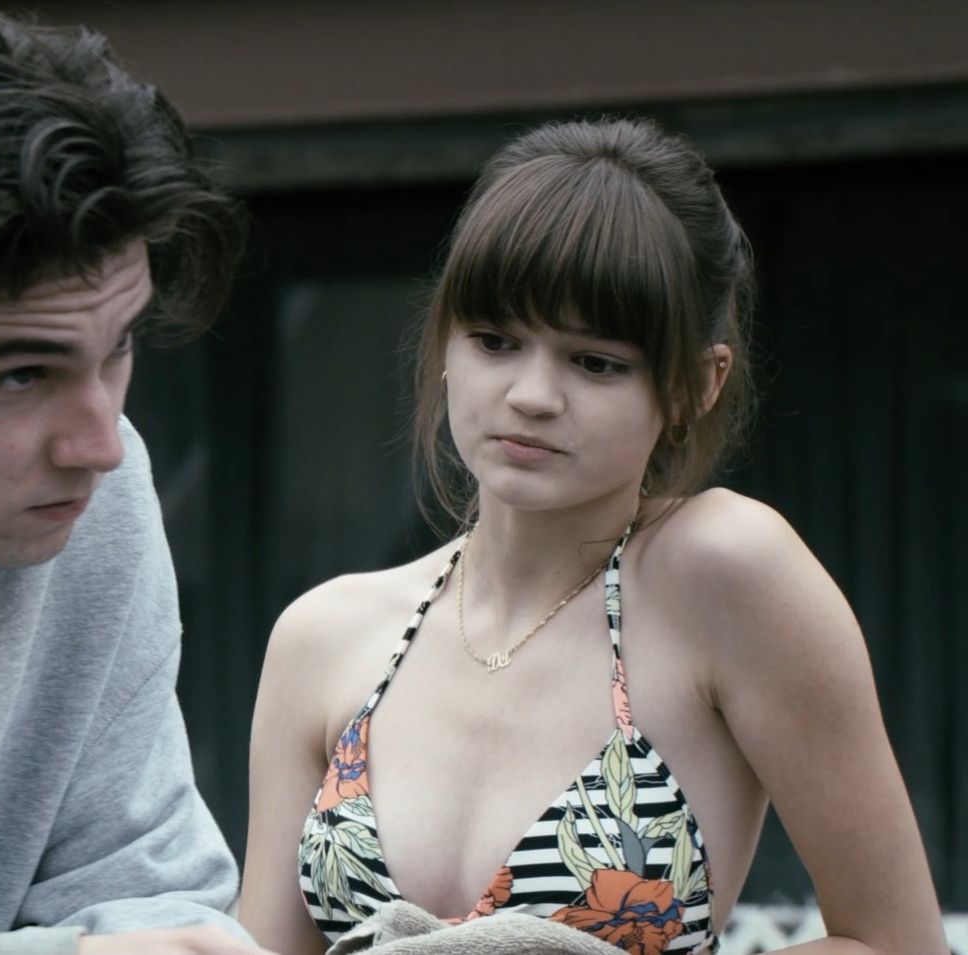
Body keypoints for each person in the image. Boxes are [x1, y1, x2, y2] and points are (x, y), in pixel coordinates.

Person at [239, 118, 948, 955]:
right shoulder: (325, 636)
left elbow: (898, 943)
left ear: (696, 383)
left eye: (596, 361)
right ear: (445, 344)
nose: (532, 395)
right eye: (496, 341)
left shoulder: (721, 571)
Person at [0, 2, 276, 953]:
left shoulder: (101, 501)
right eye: (23, 374)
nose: (100, 444)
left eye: (120, 347)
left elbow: (149, 886)